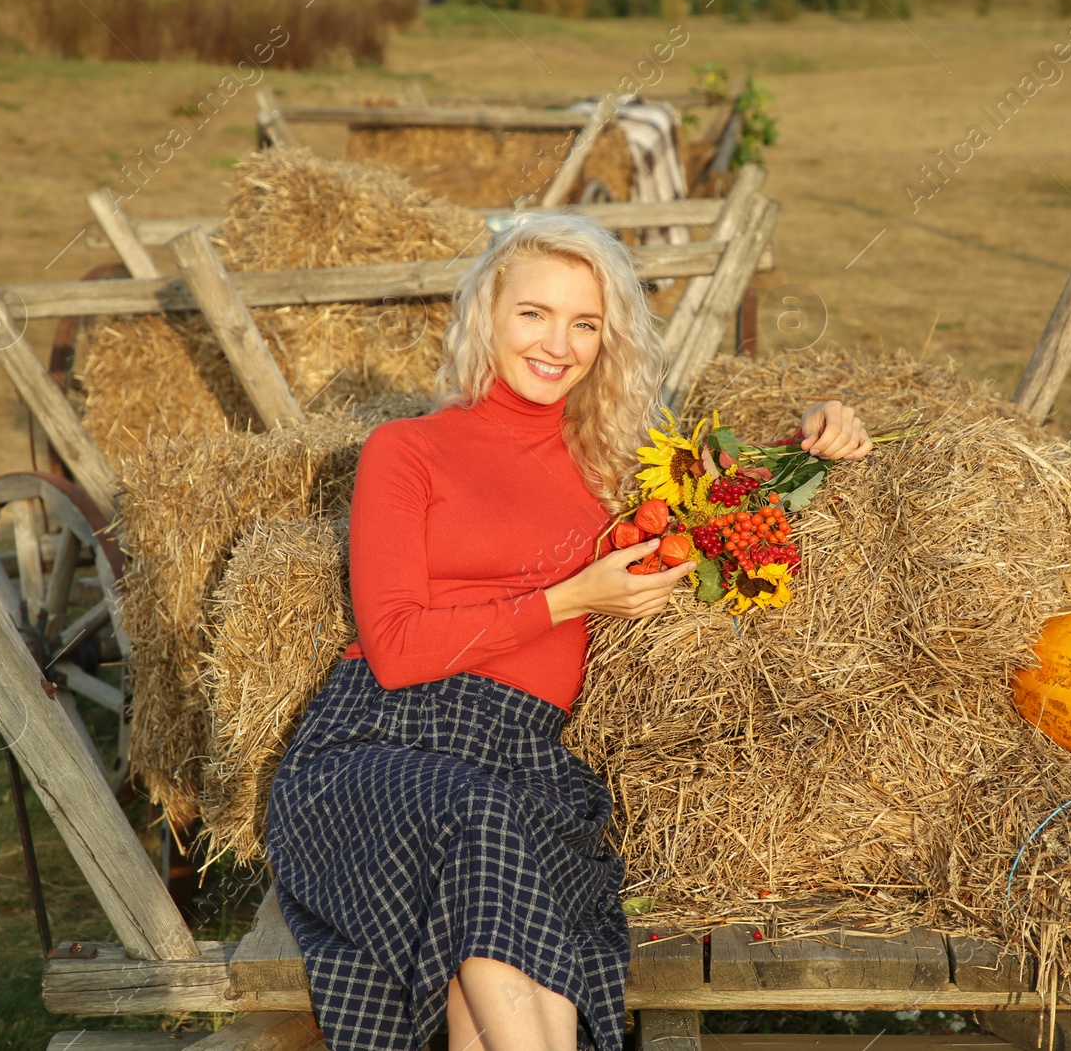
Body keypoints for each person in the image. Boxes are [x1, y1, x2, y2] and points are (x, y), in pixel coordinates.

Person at [266, 212, 873, 1051]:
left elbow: (731, 500)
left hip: (524, 757)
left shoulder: (613, 468)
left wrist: (815, 431)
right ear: (488, 317)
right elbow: (398, 648)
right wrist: (570, 596)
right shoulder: (405, 451)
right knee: (481, 828)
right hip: (380, 743)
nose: (559, 343)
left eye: (585, 322)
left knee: (489, 985)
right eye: (534, 314)